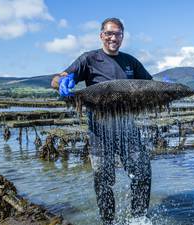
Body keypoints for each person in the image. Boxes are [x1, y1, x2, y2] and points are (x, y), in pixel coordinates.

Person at [51, 17, 152, 225]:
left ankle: (139, 218)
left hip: (127, 127)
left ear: (122, 37)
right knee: (103, 180)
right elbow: (57, 78)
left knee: (142, 173)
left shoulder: (130, 61)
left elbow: (149, 84)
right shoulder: (88, 59)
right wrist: (62, 81)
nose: (113, 38)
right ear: (101, 35)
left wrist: (164, 85)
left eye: (117, 34)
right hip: (100, 131)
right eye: (109, 33)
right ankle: (108, 221)